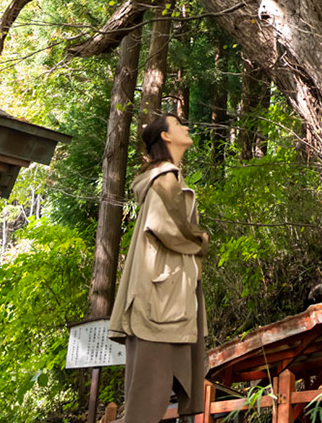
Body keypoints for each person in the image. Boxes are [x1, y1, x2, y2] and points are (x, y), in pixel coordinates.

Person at [109, 113, 210, 423]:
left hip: (169, 300)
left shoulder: (167, 178)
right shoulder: (164, 179)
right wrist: (202, 239)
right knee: (146, 402)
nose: (187, 127)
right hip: (160, 303)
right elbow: (171, 229)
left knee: (152, 395)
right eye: (179, 125)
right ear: (166, 137)